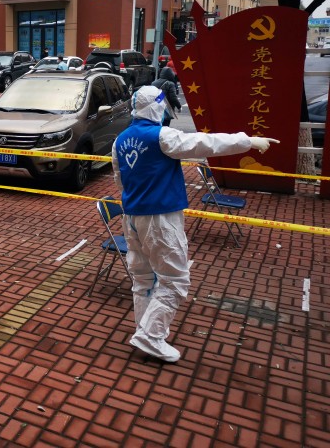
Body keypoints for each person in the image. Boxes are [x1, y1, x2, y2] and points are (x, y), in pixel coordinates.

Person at [112, 86, 278, 363]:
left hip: (132, 217)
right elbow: (207, 143)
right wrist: (247, 140)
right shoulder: (162, 136)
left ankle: (146, 328)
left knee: (143, 279)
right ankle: (150, 336)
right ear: (157, 107)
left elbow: (120, 180)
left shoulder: (121, 140)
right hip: (160, 218)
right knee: (174, 279)